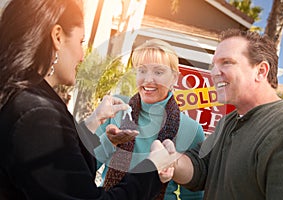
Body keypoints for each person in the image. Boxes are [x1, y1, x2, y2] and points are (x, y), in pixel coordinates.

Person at [0, 0, 175, 199]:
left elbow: (61, 174)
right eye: (81, 41)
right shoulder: (37, 114)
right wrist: (151, 168)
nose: (82, 56)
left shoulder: (18, 94)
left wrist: (92, 126)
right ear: (57, 37)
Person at [155, 29, 283, 200]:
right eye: (213, 65)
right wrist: (172, 161)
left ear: (261, 71)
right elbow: (200, 168)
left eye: (227, 62)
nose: (215, 72)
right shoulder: (228, 122)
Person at [93, 39, 205, 200]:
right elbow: (88, 165)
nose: (148, 80)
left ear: (174, 78)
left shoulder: (191, 129)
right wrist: (109, 140)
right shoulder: (116, 109)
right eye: (142, 70)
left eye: (158, 72)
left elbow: (193, 195)